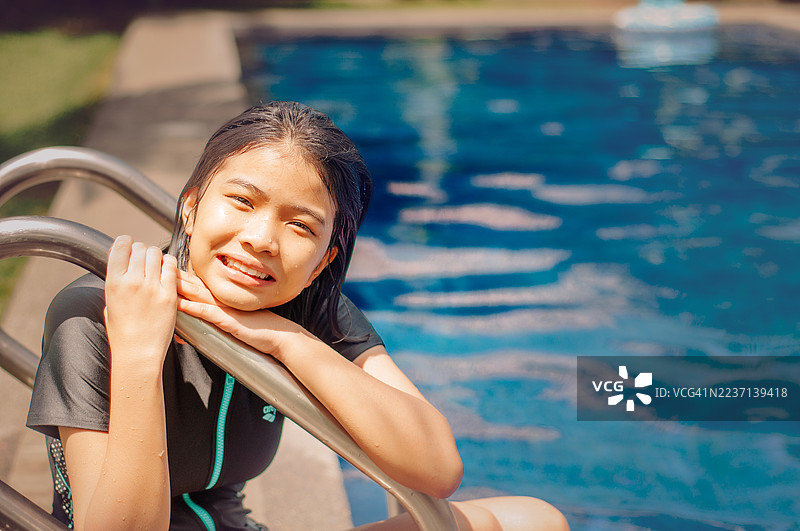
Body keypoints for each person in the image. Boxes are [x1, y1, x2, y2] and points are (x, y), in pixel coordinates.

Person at [27, 101, 569, 530]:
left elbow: (437, 465)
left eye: (302, 226)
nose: (261, 239)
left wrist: (286, 341)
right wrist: (141, 353)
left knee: (535, 521)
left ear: (323, 262)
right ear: (192, 205)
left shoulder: (307, 308)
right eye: (242, 201)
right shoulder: (92, 314)